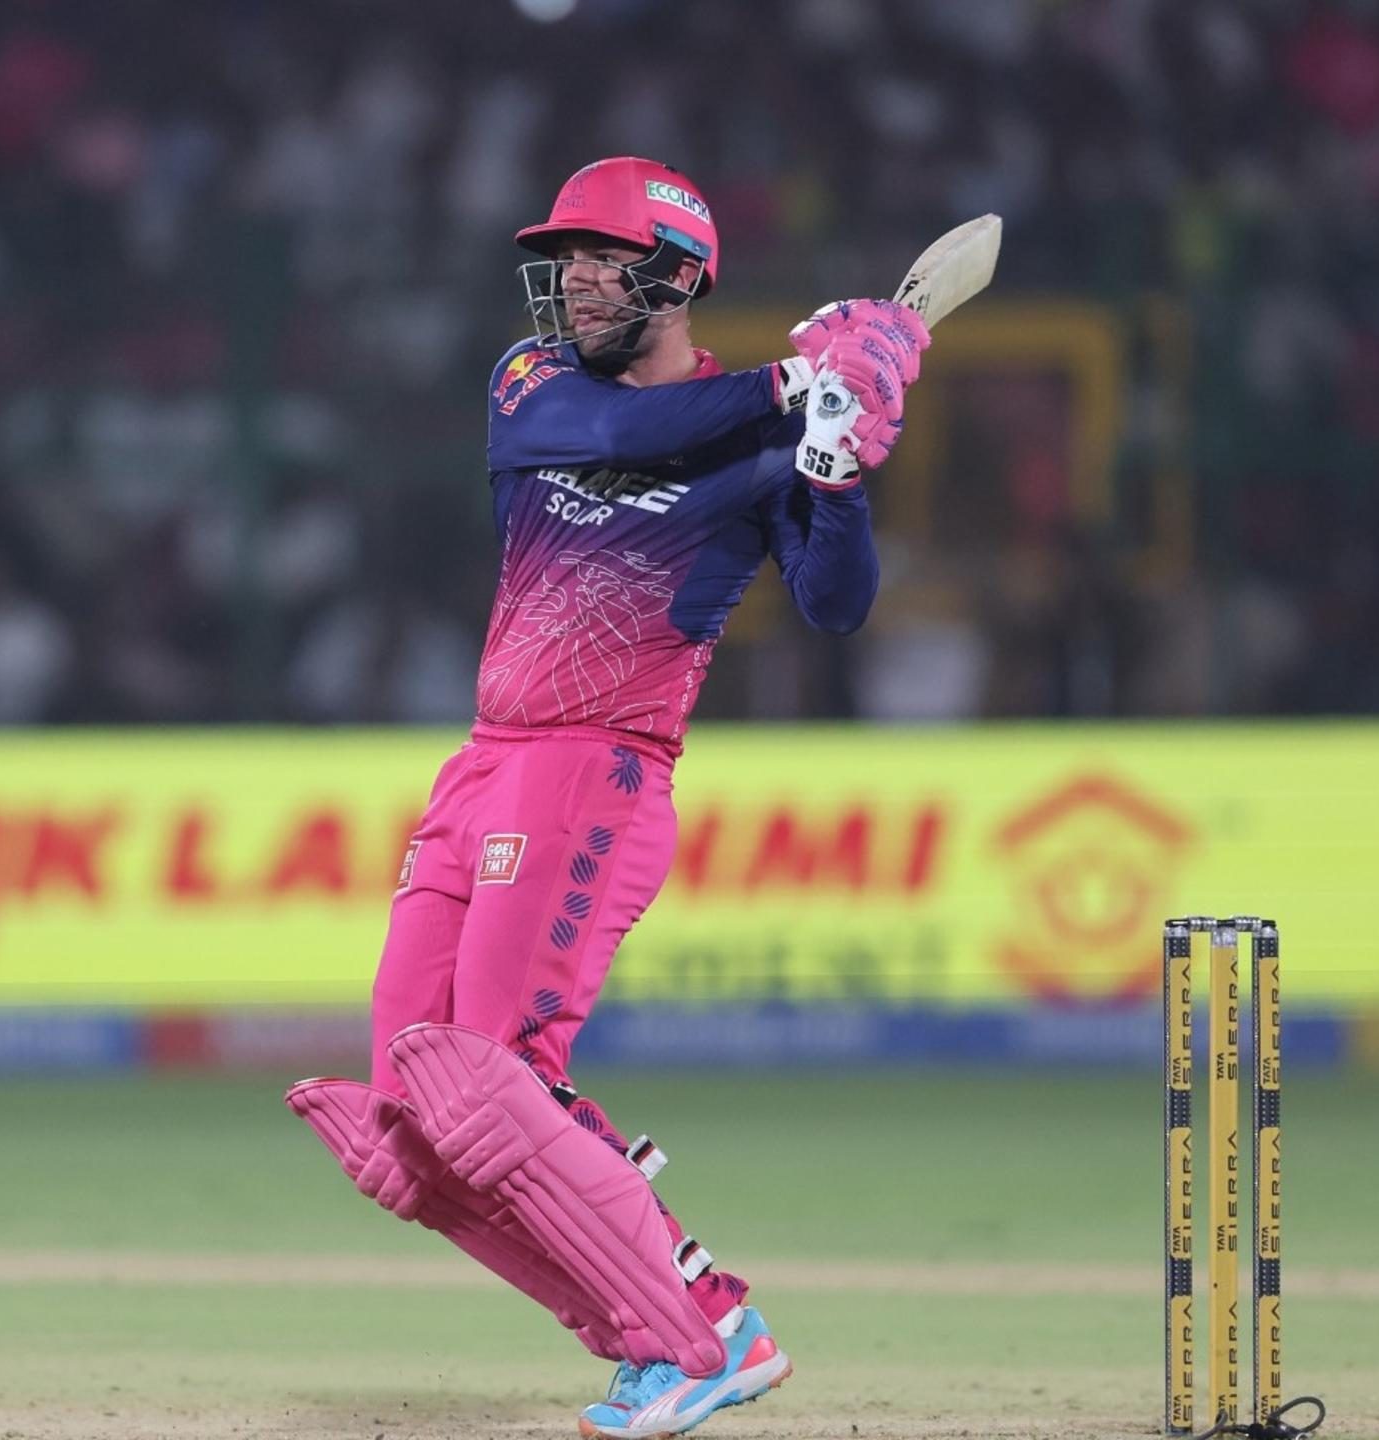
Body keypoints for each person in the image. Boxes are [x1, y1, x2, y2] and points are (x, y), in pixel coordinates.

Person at [287, 157, 925, 1439]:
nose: (573, 281)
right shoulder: (535, 386)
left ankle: (695, 1337)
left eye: (602, 259)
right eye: (564, 258)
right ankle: (675, 1334)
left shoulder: (765, 440)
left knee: (494, 1078)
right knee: (413, 1117)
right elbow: (627, 437)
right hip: (485, 760)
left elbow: (836, 604)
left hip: (598, 765)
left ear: (679, 278)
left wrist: (835, 463)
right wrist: (799, 383)